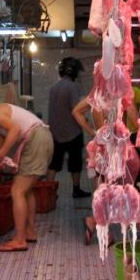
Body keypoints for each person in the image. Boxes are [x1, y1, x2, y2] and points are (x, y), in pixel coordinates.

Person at [0, 95, 54, 252]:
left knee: (17, 191)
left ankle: (19, 240)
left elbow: (16, 129)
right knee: (26, 190)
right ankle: (29, 232)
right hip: (42, 137)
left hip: (36, 139)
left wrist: (1, 153)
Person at [72, 97, 140, 245]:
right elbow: (136, 121)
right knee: (112, 186)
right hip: (115, 146)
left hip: (103, 145)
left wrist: (92, 132)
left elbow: (76, 111)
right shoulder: (120, 96)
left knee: (105, 186)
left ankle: (98, 224)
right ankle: (96, 222)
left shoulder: (96, 95)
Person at [46, 57, 91, 198]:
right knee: (75, 164)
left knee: (54, 163)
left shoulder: (54, 87)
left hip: (55, 132)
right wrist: (87, 122)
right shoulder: (73, 87)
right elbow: (76, 109)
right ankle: (76, 190)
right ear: (74, 71)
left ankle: (48, 192)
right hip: (73, 132)